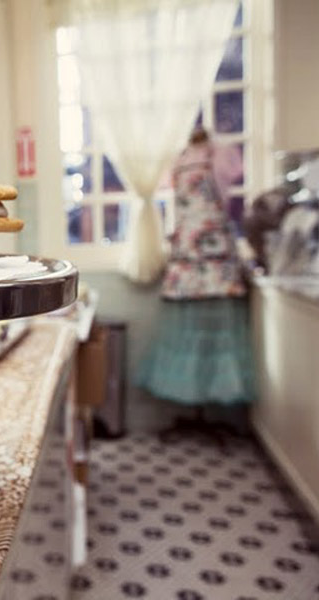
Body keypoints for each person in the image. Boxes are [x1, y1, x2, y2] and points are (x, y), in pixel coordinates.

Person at [137, 128, 255, 417]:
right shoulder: (177, 159)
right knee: (186, 334)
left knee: (217, 334)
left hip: (216, 254)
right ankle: (194, 407)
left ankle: (212, 403)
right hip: (187, 252)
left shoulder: (220, 154)